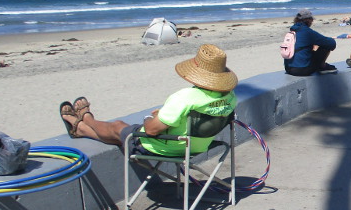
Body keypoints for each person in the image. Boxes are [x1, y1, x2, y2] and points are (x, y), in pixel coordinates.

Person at [59, 44, 238, 156]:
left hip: (168, 147)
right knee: (123, 132)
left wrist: (149, 118)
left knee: (118, 128)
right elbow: (201, 117)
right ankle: (80, 129)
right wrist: (168, 115)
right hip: (200, 146)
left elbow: (152, 130)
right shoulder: (230, 98)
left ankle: (87, 119)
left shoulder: (185, 97)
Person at [284, 10, 337, 76]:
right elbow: (332, 44)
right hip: (302, 70)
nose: (312, 22)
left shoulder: (292, 31)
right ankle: (322, 65)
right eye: (311, 19)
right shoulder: (307, 32)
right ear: (308, 20)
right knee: (325, 46)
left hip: (288, 68)